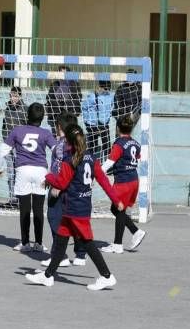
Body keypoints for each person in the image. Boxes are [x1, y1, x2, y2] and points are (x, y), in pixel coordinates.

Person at [25, 124, 124, 290]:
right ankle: (48, 275)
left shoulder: (69, 158)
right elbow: (104, 181)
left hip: (74, 208)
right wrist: (116, 200)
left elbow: (62, 183)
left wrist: (49, 177)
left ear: (67, 142)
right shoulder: (91, 158)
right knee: (62, 240)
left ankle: (106, 275)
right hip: (81, 206)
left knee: (87, 243)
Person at [0, 103, 56, 252]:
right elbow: (56, 150)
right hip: (40, 172)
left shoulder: (17, 130)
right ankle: (39, 243)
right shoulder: (46, 133)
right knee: (38, 209)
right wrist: (54, 171)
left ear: (26, 115)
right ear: (42, 118)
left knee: (24, 209)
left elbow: (2, 149)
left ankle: (24, 243)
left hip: (23, 170)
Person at [41, 112, 87, 267]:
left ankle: (60, 255)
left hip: (61, 187)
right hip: (74, 188)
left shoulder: (62, 145)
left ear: (59, 127)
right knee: (72, 220)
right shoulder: (76, 144)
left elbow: (61, 167)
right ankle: (80, 254)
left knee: (54, 218)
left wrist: (55, 184)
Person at [100, 115, 146, 254]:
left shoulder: (119, 144)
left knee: (119, 210)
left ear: (118, 128)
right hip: (133, 179)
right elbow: (138, 159)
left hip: (124, 181)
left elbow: (110, 162)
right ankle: (135, 231)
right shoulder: (136, 143)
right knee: (116, 209)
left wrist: (97, 172)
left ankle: (118, 244)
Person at [1, 86, 27, 203]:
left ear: (20, 96)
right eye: (12, 95)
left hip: (20, 146)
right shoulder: (7, 109)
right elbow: (4, 126)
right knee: (10, 173)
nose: (13, 98)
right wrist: (5, 140)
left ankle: (20, 197)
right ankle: (12, 198)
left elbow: (28, 127)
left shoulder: (25, 109)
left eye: (16, 96)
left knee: (19, 172)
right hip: (8, 145)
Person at [82, 80, 114, 161]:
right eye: (104, 88)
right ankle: (90, 163)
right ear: (99, 87)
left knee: (107, 145)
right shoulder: (92, 96)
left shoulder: (110, 97)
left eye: (107, 88)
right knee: (92, 146)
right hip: (92, 125)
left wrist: (107, 119)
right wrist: (87, 121)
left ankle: (107, 164)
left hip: (103, 125)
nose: (106, 90)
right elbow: (84, 108)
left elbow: (110, 108)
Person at [45, 65, 81, 135]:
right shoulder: (54, 84)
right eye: (61, 73)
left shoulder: (75, 85)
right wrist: (59, 104)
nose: (63, 75)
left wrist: (66, 104)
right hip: (57, 115)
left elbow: (78, 98)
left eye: (65, 73)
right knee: (57, 136)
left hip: (70, 116)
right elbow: (49, 98)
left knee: (70, 135)